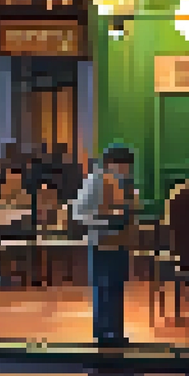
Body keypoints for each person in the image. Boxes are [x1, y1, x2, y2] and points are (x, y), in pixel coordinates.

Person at [72, 145, 138, 347]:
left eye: (128, 167)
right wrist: (106, 220)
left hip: (120, 241)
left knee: (117, 287)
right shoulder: (95, 181)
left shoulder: (124, 184)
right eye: (122, 166)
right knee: (103, 287)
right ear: (111, 164)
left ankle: (116, 331)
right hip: (102, 241)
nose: (125, 171)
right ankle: (103, 332)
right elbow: (78, 213)